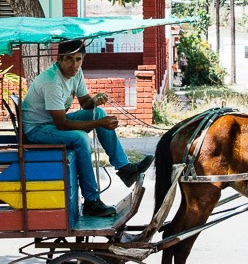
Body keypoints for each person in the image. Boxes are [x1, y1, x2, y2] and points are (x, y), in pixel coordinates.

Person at [20, 39, 152, 218]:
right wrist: (99, 124)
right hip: (36, 130)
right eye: (69, 59)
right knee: (82, 139)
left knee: (99, 112)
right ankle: (91, 201)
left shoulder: (76, 73)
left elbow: (85, 103)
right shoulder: (52, 81)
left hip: (52, 123)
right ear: (59, 59)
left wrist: (95, 100)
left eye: (78, 59)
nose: (74, 64)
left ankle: (125, 169)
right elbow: (62, 124)